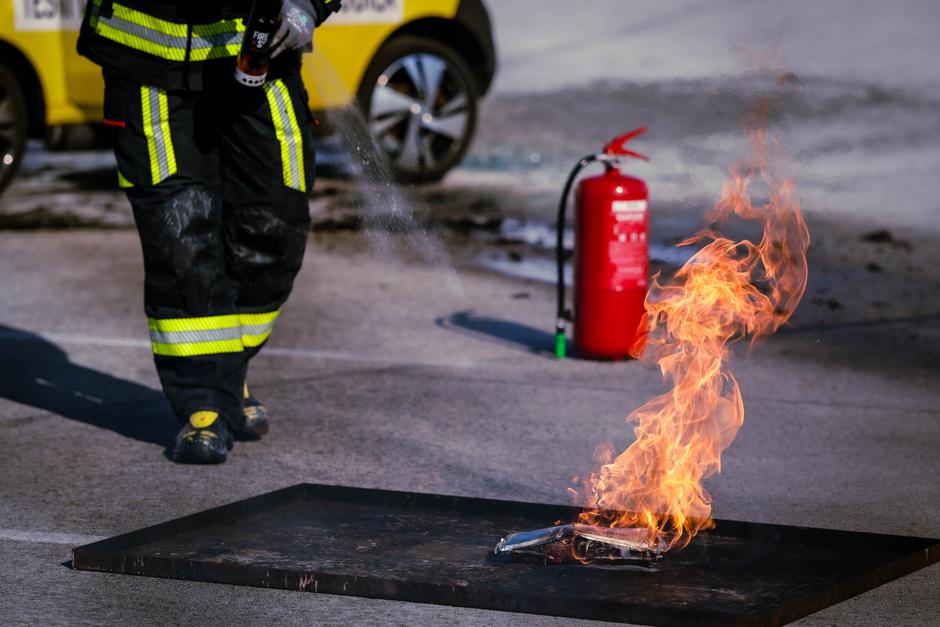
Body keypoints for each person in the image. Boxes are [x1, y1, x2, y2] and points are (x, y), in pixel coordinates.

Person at [76, 0, 342, 463]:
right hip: (148, 66)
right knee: (180, 233)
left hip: (259, 56)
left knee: (276, 220)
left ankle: (227, 368)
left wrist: (310, 5)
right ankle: (204, 404)